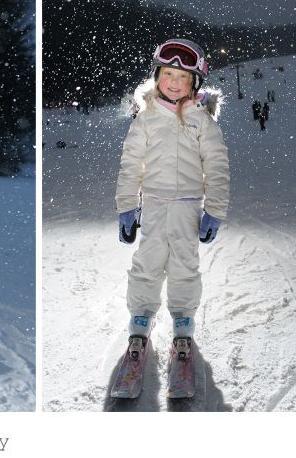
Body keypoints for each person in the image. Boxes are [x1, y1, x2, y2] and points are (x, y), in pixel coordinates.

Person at [115, 38, 230, 365]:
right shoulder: (147, 118)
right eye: (168, 74)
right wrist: (127, 206)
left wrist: (215, 210)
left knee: (183, 265)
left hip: (188, 207)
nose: (175, 83)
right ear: (156, 77)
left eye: (183, 77)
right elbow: (130, 163)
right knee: (147, 263)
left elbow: (217, 166)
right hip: (152, 204)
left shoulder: (202, 121)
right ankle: (140, 318)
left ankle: (182, 320)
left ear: (195, 82)